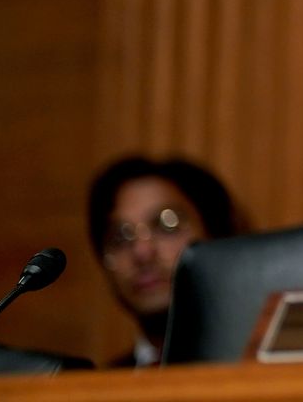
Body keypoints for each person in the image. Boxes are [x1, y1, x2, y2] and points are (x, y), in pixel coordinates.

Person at [86, 156, 240, 366]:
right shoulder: (97, 390)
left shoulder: (262, 371)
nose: (141, 252)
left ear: (216, 237)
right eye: (120, 237)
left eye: (166, 226)